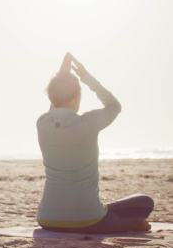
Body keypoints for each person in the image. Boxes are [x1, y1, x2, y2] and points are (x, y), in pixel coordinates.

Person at [36, 53, 154, 233]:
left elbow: (56, 106)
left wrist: (63, 75)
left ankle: (124, 221)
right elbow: (114, 106)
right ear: (76, 97)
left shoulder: (42, 123)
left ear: (51, 97)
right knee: (145, 202)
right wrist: (87, 78)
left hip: (47, 219)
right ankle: (130, 224)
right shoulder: (88, 122)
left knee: (109, 209)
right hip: (89, 220)